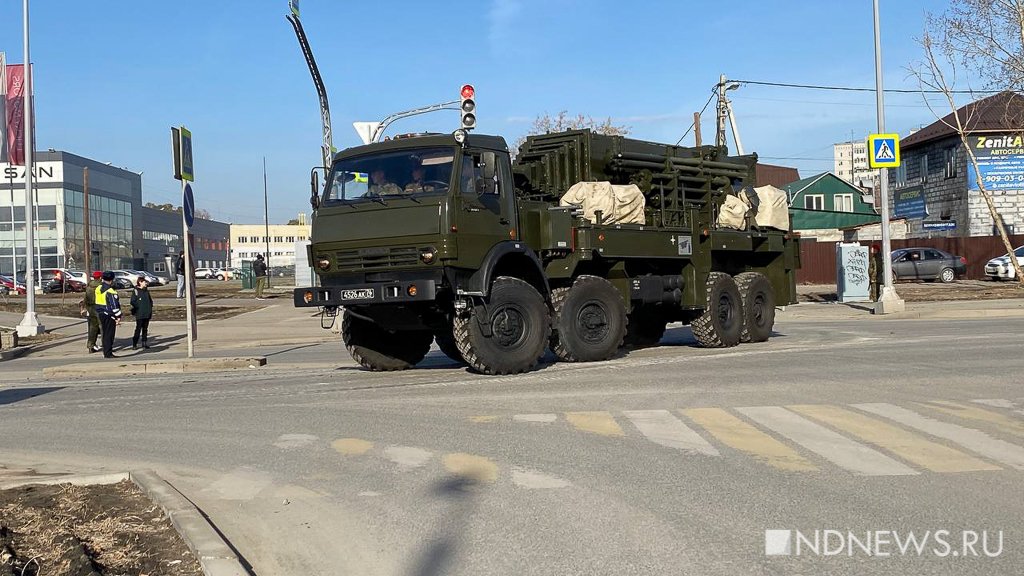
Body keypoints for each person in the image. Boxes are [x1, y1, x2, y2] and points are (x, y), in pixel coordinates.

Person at [95, 271, 123, 358]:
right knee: (109, 334)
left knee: (105, 333)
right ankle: (108, 353)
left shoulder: (98, 288)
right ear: (112, 280)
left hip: (100, 312)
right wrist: (118, 316)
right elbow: (114, 306)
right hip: (109, 314)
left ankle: (106, 351)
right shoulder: (111, 291)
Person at [81, 270, 103, 353]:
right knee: (103, 327)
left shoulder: (89, 286)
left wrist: (84, 307)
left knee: (92, 328)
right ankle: (106, 344)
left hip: (90, 308)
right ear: (100, 277)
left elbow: (86, 298)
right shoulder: (102, 286)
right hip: (100, 308)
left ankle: (91, 345)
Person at [130, 276, 153, 350]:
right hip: (140, 313)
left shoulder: (146, 291)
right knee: (138, 329)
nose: (146, 283)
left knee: (145, 329)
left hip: (147, 313)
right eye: (144, 282)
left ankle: (144, 342)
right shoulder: (136, 291)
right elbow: (132, 301)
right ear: (140, 282)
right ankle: (135, 344)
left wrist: (150, 308)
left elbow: (150, 301)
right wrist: (138, 307)